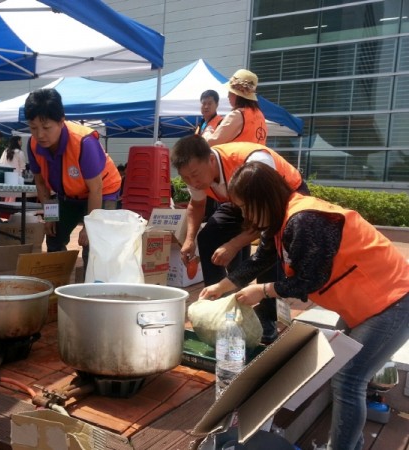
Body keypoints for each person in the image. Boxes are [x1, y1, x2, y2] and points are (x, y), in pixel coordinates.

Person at [200, 161, 409, 450]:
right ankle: (350, 444)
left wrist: (264, 290)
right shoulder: (280, 220)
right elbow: (261, 259)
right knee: (345, 375)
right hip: (366, 304)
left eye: (246, 207)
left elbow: (309, 280)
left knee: (349, 379)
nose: (245, 215)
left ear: (263, 198)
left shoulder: (305, 220)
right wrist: (222, 287)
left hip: (393, 301)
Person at [171, 136, 309, 343]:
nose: (192, 182)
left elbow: (266, 216)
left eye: (194, 175)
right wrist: (190, 240)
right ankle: (219, 306)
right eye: (185, 178)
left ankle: (268, 317)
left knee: (270, 248)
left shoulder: (256, 161)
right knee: (208, 236)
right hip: (241, 201)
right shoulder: (197, 174)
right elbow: (197, 205)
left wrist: (234, 245)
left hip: (280, 199)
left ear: (210, 160)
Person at [24, 88, 121, 268]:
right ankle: (56, 280)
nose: (40, 135)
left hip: (102, 191)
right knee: (54, 235)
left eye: (46, 127)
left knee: (93, 242)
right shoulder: (33, 145)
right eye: (33, 128)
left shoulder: (84, 142)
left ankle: (92, 284)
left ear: (61, 121)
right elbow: (41, 183)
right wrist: (50, 217)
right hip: (68, 195)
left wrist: (89, 226)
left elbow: (96, 189)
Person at [206, 69, 267, 147]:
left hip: (236, 155)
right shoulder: (260, 115)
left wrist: (207, 131)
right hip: (255, 154)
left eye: (230, 92)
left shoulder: (237, 115)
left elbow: (212, 142)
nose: (228, 96)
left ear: (237, 94)